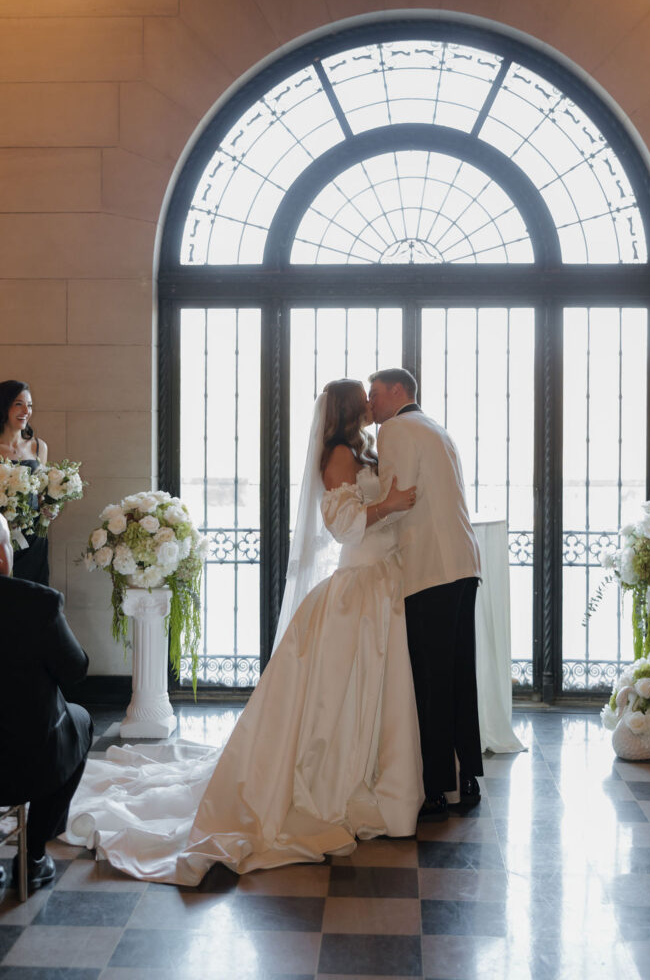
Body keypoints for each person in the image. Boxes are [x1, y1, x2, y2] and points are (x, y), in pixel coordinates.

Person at [64, 379, 423, 883]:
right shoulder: (339, 454)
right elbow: (344, 526)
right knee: (337, 696)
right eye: (361, 396)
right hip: (357, 588)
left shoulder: (363, 451)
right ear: (345, 409)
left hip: (381, 582)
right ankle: (337, 785)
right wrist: (392, 504)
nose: (369, 401)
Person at [368, 367, 483, 816]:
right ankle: (467, 775)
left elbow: (400, 500)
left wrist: (364, 519)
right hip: (462, 562)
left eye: (375, 394)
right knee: (458, 674)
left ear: (398, 391)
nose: (370, 405)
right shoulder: (436, 428)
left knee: (431, 680)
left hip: (428, 569)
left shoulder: (395, 428)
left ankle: (437, 784)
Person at [0, 512, 93, 892]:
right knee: (81, 720)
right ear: (3, 555)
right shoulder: (38, 604)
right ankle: (34, 854)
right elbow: (75, 670)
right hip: (26, 765)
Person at [0, 379, 50, 584]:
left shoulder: (39, 447)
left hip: (33, 537)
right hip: (1, 534)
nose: (26, 411)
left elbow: (41, 492)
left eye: (29, 405)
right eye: (18, 404)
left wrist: (49, 507)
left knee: (34, 593)